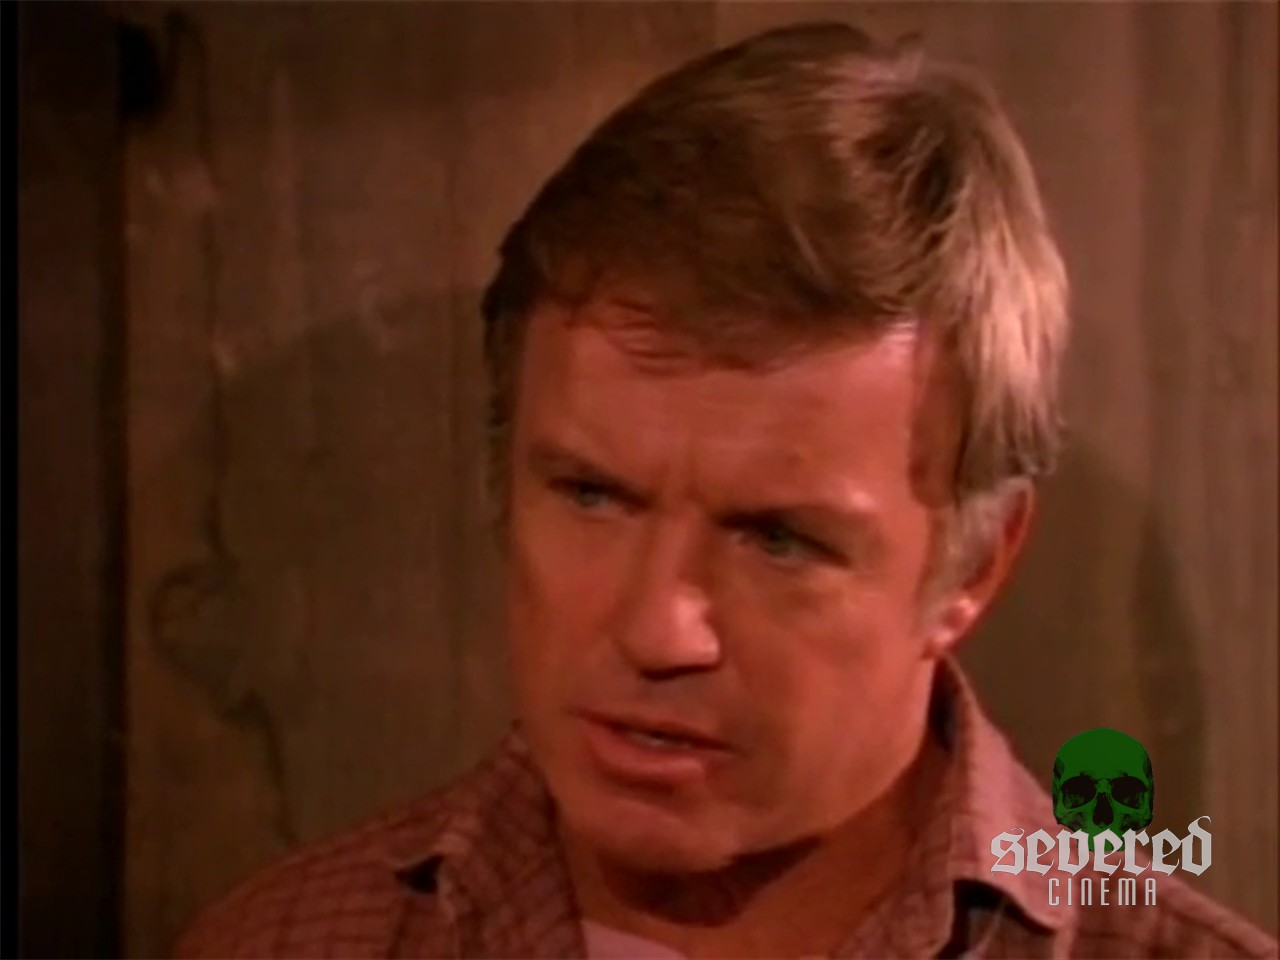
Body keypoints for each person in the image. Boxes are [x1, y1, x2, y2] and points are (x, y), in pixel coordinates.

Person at [176, 21, 1277, 959]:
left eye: (777, 539)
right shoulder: (286, 943)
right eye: (592, 495)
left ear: (971, 569)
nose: (657, 630)